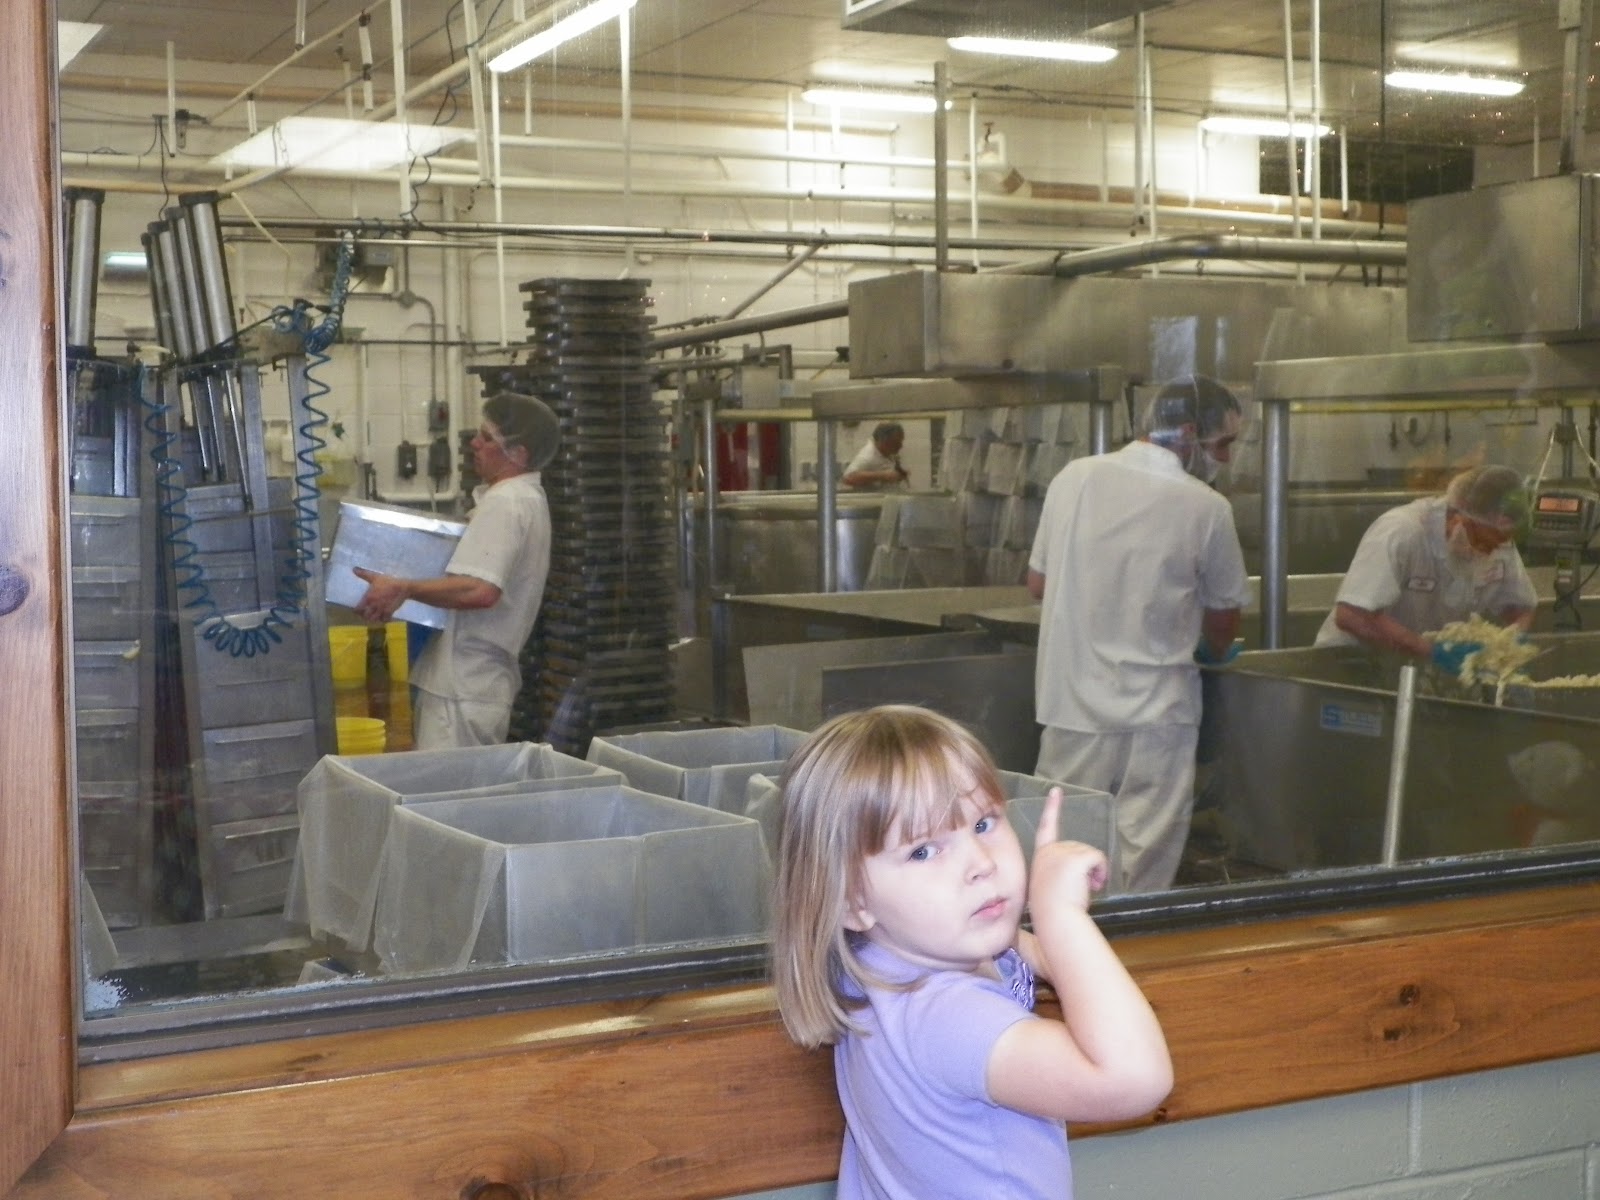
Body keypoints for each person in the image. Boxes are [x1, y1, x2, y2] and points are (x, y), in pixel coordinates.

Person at [771, 705, 1172, 1200]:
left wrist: (1041, 950)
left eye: (984, 824)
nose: (981, 864)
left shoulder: (878, 959)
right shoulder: (950, 1016)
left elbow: (1005, 945)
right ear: (852, 901)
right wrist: (1063, 918)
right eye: (923, 851)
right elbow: (1135, 1080)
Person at [1027, 375, 1251, 893]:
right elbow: (1224, 615)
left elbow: (1039, 583)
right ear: (1190, 433)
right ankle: (1129, 956)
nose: (1225, 458)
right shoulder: (1206, 507)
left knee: (1061, 841)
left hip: (1072, 702)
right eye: (1223, 444)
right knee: (1143, 850)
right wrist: (1213, 651)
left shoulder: (1074, 477)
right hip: (1159, 710)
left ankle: (1058, 945)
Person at [352, 391, 559, 750]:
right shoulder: (522, 499)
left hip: (465, 687)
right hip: (471, 684)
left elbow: (481, 590)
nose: (474, 444)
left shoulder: (507, 502)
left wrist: (404, 588)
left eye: (487, 438)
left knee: (446, 799)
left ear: (519, 454)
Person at [1313, 464, 1536, 669]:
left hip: (1416, 668)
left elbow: (1519, 606)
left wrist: (1512, 641)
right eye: (1482, 540)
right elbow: (1352, 615)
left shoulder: (1497, 541)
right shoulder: (1402, 532)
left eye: (1498, 542)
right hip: (1354, 665)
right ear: (1455, 517)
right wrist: (1431, 651)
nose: (1489, 551)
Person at [842, 421, 909, 490]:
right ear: (884, 441)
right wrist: (882, 475)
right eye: (896, 443)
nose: (900, 446)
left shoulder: (887, 453)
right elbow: (848, 478)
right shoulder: (868, 456)